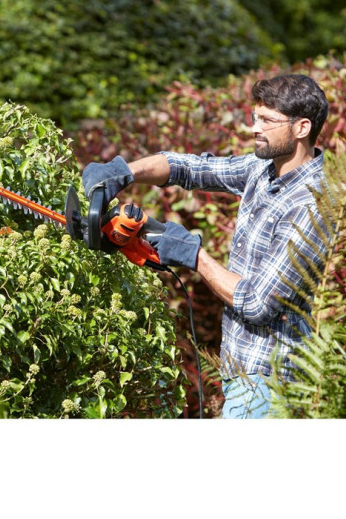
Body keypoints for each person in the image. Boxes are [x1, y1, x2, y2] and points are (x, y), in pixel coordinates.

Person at [81, 73, 332, 418]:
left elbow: (257, 302)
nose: (254, 128)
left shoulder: (310, 205)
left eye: (267, 121)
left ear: (302, 128)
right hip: (241, 369)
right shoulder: (263, 170)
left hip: (269, 381)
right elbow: (190, 168)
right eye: (255, 117)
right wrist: (124, 172)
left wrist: (192, 254)